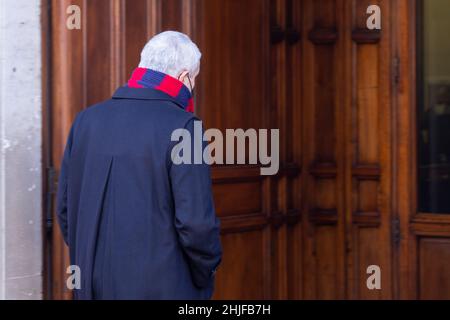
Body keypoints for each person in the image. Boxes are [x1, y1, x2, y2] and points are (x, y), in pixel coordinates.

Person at [56, 31, 222, 300]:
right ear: (184, 78)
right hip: (163, 289)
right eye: (194, 80)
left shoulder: (85, 121)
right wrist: (205, 273)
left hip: (91, 286)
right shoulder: (185, 128)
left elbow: (65, 210)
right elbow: (197, 226)